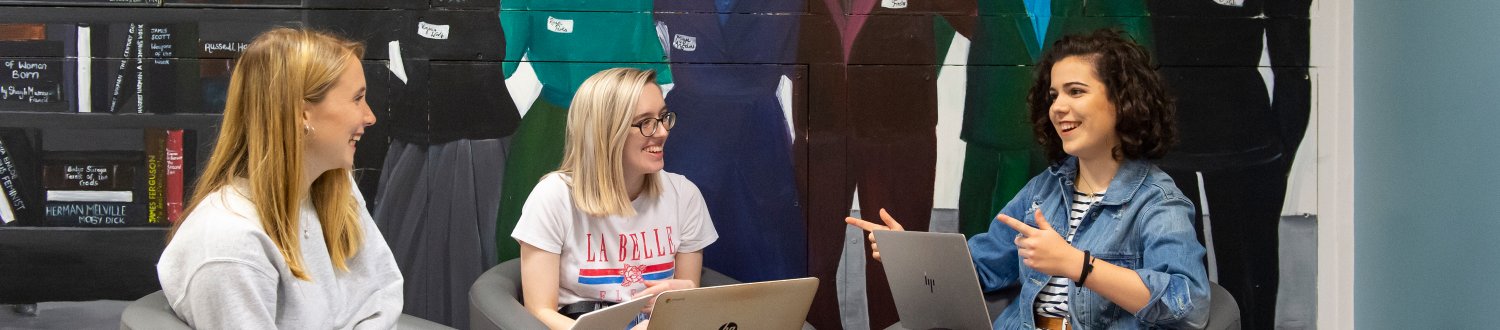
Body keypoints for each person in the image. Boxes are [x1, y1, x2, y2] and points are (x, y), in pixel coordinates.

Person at [847, 29, 1210, 329]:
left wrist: (1077, 264)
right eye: (1054, 95)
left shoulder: (1158, 202)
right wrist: (911, 254)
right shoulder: (1045, 189)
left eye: (1076, 91)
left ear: (1123, 101)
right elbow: (981, 266)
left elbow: (1187, 302)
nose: (1057, 107)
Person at [156, 27, 403, 329]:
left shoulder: (334, 187)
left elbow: (382, 295)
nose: (369, 116)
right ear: (302, 115)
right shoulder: (230, 245)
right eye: (357, 99)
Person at [511, 68, 719, 330]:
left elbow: (686, 304)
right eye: (646, 122)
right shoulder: (553, 197)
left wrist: (687, 294)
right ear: (606, 131)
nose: (663, 132)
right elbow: (539, 310)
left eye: (663, 117)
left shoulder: (684, 195)